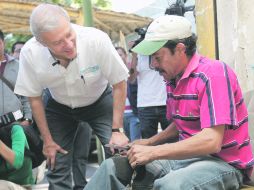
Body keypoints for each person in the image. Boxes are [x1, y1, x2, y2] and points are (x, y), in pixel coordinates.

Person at [84, 15, 254, 190]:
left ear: (180, 49)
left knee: (171, 185)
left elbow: (212, 140)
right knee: (112, 167)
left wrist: (154, 151)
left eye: (157, 57)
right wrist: (149, 143)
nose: (153, 65)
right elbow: (179, 124)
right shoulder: (173, 79)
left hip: (223, 163)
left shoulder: (213, 73)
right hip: (186, 159)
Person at [14, 3, 129, 190]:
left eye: (69, 34)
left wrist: (117, 129)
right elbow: (34, 98)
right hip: (58, 107)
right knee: (56, 163)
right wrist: (48, 141)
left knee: (120, 154)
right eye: (58, 42)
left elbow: (119, 82)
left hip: (99, 101)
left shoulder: (96, 39)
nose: (68, 44)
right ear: (42, 42)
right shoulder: (30, 52)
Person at [0, 30, 34, 189]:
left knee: (21, 161)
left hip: (16, 124)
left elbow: (26, 96)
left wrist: (27, 119)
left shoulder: (17, 65)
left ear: (3, 43)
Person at [129, 44, 170, 139]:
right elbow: (131, 79)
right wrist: (134, 56)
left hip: (166, 103)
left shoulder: (163, 52)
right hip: (145, 105)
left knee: (172, 139)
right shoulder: (139, 56)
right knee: (148, 142)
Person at [115, 46, 141, 141]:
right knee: (126, 143)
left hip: (134, 113)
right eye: (116, 55)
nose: (118, 57)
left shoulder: (132, 70)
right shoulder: (113, 73)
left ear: (125, 56)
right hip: (121, 115)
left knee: (135, 141)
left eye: (120, 55)